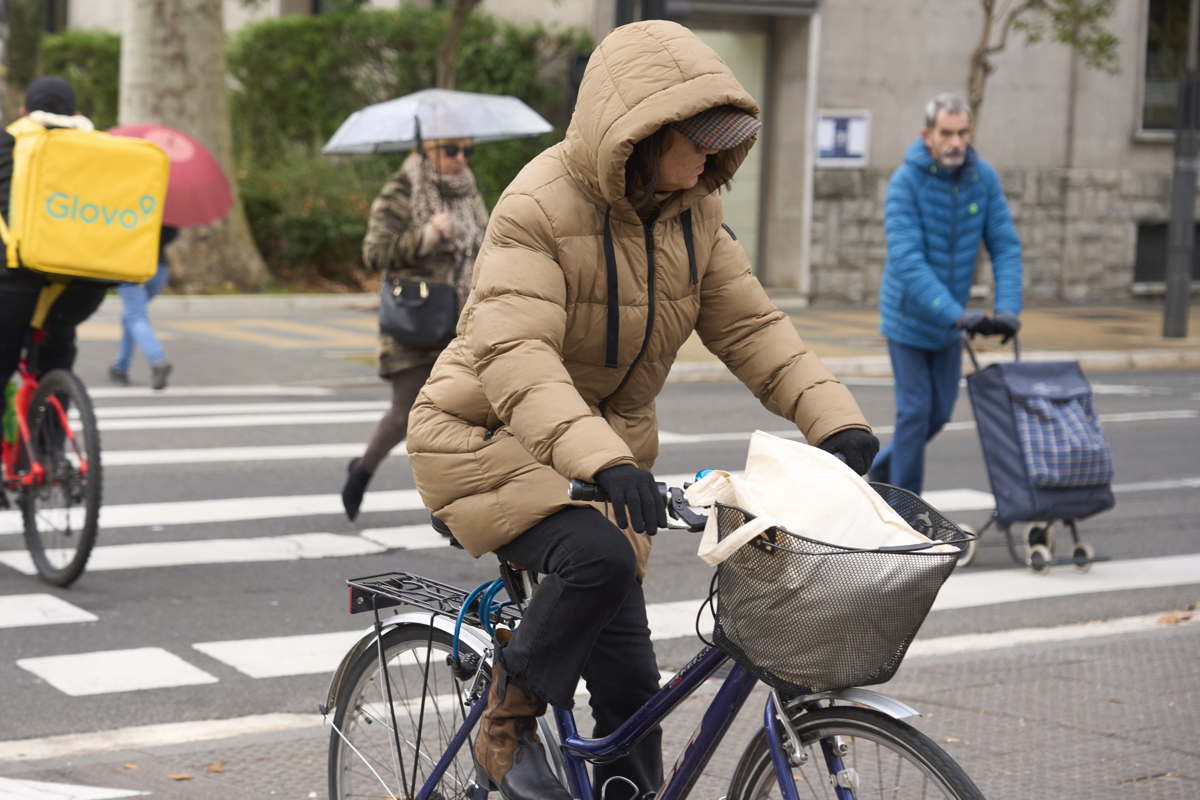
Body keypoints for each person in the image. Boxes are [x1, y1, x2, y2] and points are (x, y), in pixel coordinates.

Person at [405, 21, 878, 800]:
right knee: (600, 558)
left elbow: (756, 329)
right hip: (485, 434)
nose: (713, 158)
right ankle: (509, 717)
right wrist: (605, 461)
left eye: (724, 142)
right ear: (642, 136)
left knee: (631, 693)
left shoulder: (693, 214)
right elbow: (518, 358)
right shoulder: (537, 205)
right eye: (699, 141)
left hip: (598, 457)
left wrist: (835, 419)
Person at [870, 93, 1023, 495]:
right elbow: (908, 260)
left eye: (962, 132)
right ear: (927, 135)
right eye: (946, 133)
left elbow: (1005, 245)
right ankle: (907, 510)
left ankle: (879, 475)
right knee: (915, 412)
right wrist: (956, 313)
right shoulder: (906, 181)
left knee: (937, 416)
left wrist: (1008, 308)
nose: (956, 142)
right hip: (909, 321)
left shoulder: (981, 178)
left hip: (951, 325)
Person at [340, 134, 488, 521]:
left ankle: (451, 511)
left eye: (467, 150)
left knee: (462, 414)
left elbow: (487, 243)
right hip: (414, 319)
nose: (460, 158)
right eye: (450, 150)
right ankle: (362, 470)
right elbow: (375, 252)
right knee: (404, 412)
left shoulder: (467, 191)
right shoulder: (401, 188)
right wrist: (427, 236)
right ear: (426, 149)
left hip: (460, 322)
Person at [0, 77, 108, 432]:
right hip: (79, 288)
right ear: (76, 113)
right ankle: (51, 460)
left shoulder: (6, 144)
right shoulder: (99, 150)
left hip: (13, 285)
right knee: (56, 359)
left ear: (23, 112)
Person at [109, 226, 177, 390]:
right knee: (130, 316)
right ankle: (121, 367)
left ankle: (157, 360)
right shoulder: (163, 207)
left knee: (135, 316)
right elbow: (172, 234)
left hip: (132, 264)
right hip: (160, 270)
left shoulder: (132, 205)